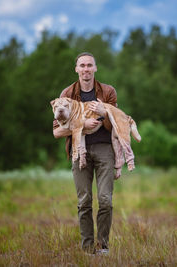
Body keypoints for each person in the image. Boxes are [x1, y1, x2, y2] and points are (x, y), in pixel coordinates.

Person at [52, 52, 117, 254]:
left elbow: (117, 122)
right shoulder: (67, 94)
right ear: (77, 69)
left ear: (95, 68)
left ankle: (103, 247)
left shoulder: (107, 92)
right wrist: (81, 125)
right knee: (84, 201)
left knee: (105, 200)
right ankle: (88, 250)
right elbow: (56, 131)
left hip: (105, 149)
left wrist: (104, 113)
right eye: (82, 65)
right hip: (78, 151)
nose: (86, 69)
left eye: (90, 65)